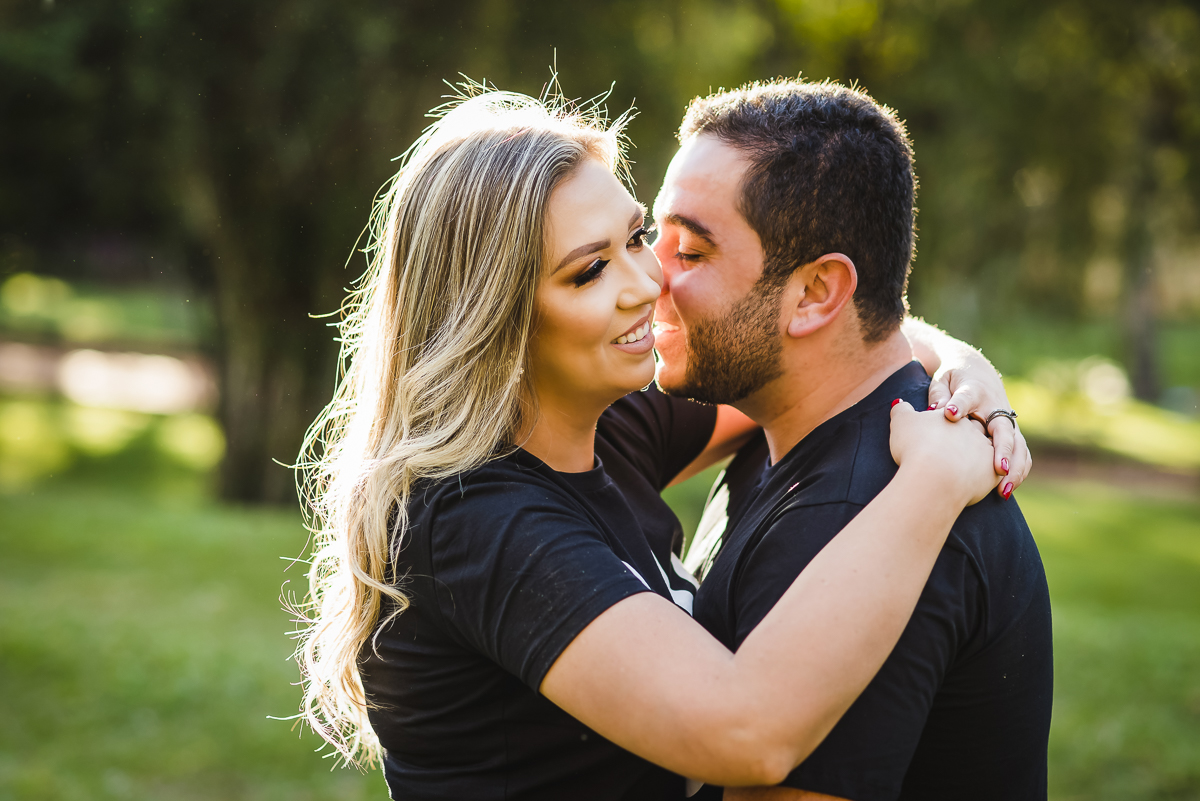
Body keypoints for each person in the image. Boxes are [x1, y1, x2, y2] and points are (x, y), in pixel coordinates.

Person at [291, 88, 1013, 801]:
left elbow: (824, 355)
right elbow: (747, 730)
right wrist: (934, 480)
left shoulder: (604, 427)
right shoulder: (475, 524)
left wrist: (956, 365)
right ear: (493, 320)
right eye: (589, 270)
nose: (648, 282)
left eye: (636, 238)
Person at [650, 79, 1053, 800]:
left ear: (814, 294)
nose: (645, 278)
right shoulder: (780, 423)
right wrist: (962, 356)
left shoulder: (858, 520)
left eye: (690, 252)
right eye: (656, 239)